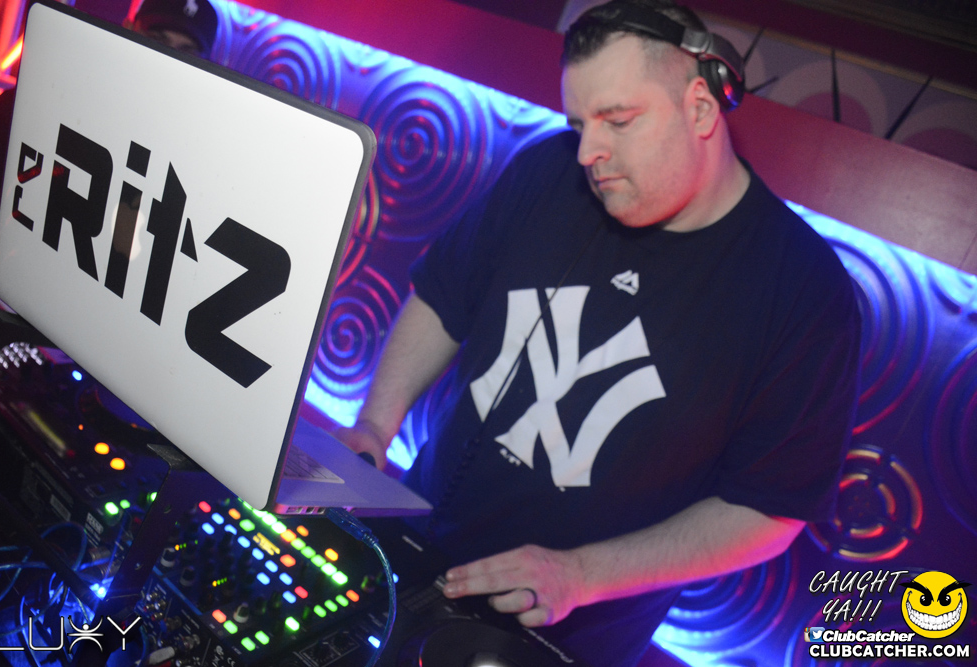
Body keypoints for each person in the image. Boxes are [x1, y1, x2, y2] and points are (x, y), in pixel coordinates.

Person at [337, 0, 862, 664]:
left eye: (617, 120)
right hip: (411, 548)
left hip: (563, 637)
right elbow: (443, 298)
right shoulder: (547, 170)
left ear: (702, 108)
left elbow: (769, 511)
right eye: (579, 124)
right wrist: (375, 424)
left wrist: (583, 573)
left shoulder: (805, 292)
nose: (588, 152)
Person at [0, 0, 218, 283]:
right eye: (157, 38)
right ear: (128, 28)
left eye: (186, 51)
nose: (169, 57)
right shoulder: (38, 103)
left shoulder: (196, 167)